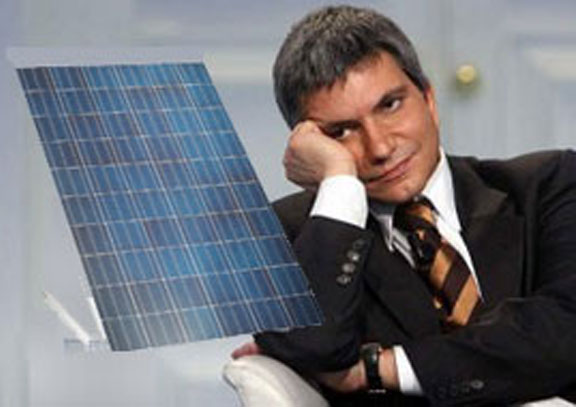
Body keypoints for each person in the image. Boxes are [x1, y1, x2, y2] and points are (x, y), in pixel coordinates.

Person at [231, 5, 576, 406]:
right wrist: (340, 183)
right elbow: (314, 349)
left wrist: (382, 367)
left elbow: (566, 331)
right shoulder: (284, 238)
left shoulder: (550, 184)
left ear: (428, 99)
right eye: (340, 132)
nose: (380, 147)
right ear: (308, 145)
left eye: (390, 105)